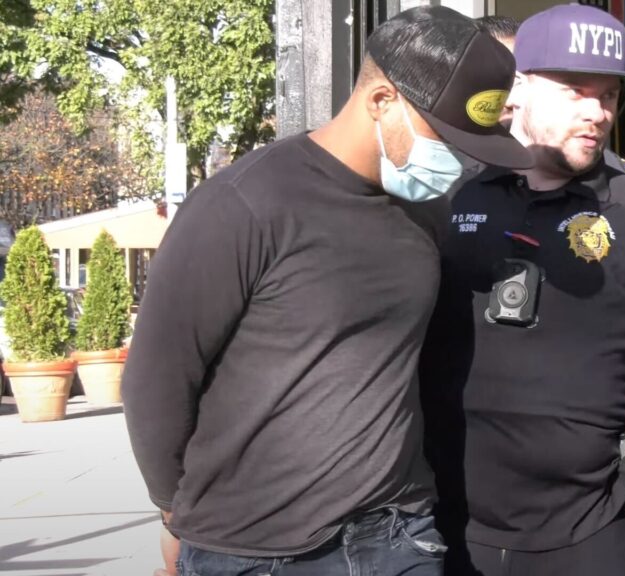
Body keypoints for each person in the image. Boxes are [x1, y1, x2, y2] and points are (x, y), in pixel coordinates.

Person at [122, 6, 532, 576]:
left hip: (398, 536)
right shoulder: (244, 204)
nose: (458, 160)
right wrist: (174, 511)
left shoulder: (428, 212)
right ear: (381, 100)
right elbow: (158, 377)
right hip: (255, 550)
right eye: (445, 137)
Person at [420, 5, 625, 576]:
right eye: (574, 90)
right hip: (452, 532)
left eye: (610, 94)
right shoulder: (451, 196)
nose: (597, 112)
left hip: (589, 534)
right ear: (519, 90)